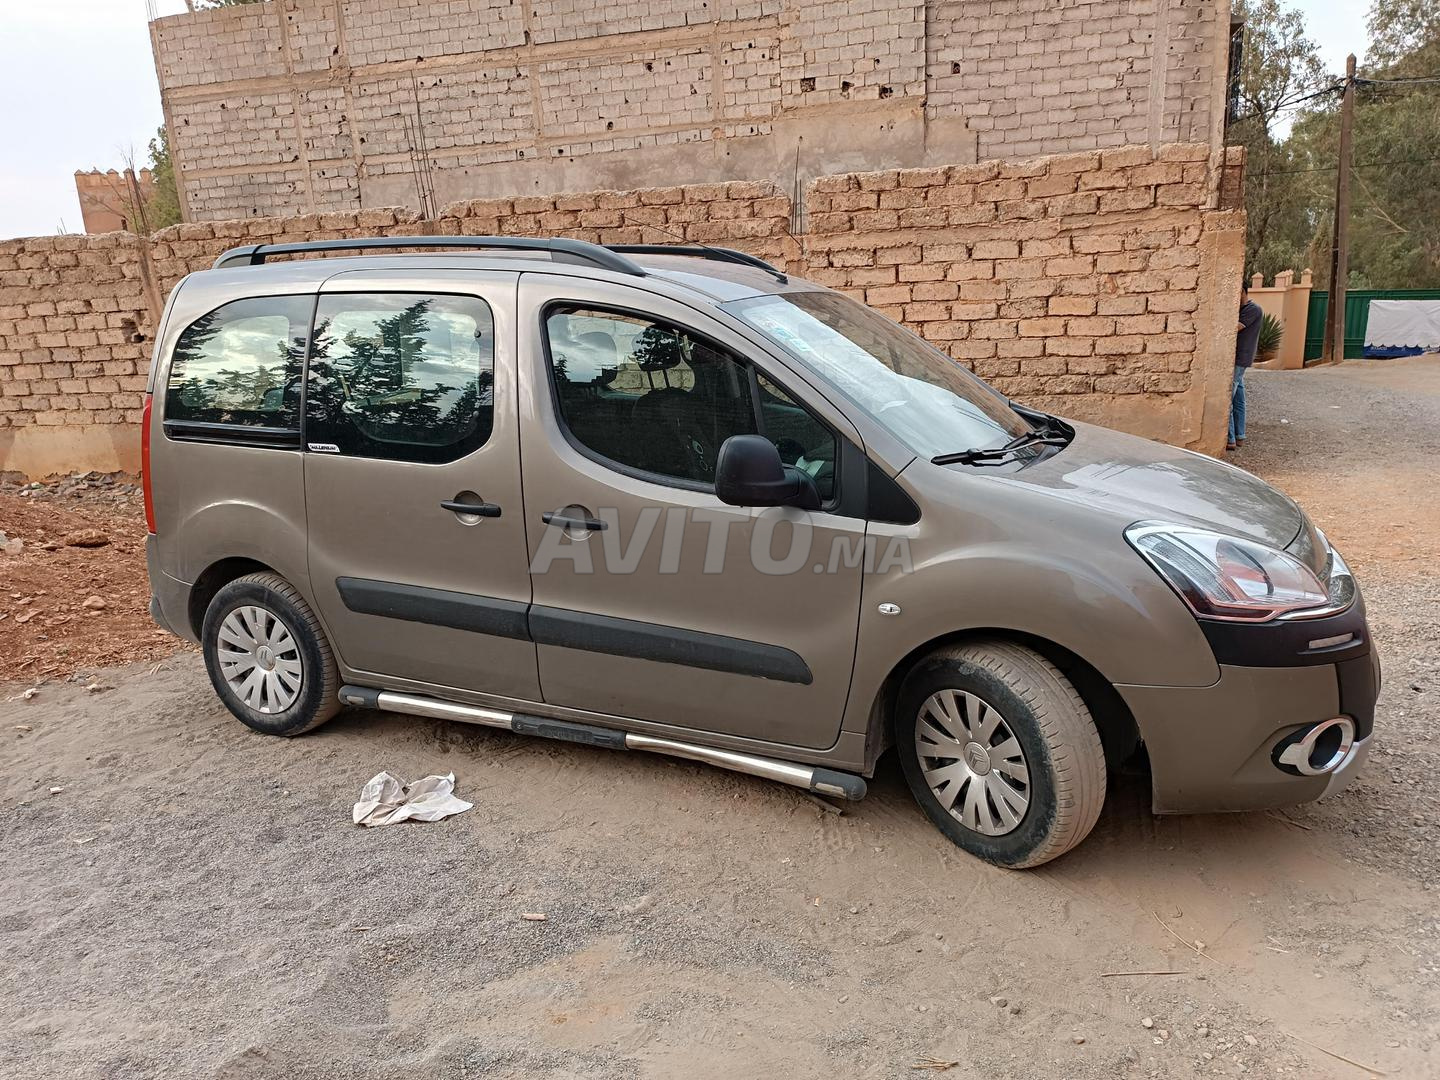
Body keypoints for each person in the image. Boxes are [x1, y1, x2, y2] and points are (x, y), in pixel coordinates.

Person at [1231, 285, 1262, 451]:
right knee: (1238, 400)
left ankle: (1230, 439)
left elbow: (1234, 328)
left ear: (1242, 292)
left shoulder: (1252, 310)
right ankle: (1240, 435)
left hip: (1240, 358)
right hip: (1238, 358)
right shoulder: (1245, 309)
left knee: (1228, 398)